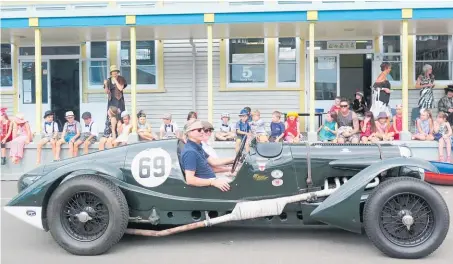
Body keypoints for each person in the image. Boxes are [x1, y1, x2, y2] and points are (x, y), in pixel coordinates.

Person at [181, 120, 236, 192]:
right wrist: (213, 182)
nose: (203, 132)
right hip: (206, 189)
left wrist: (233, 159)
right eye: (199, 130)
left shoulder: (197, 146)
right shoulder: (190, 152)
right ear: (189, 132)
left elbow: (213, 162)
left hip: (212, 182)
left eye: (203, 129)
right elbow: (190, 180)